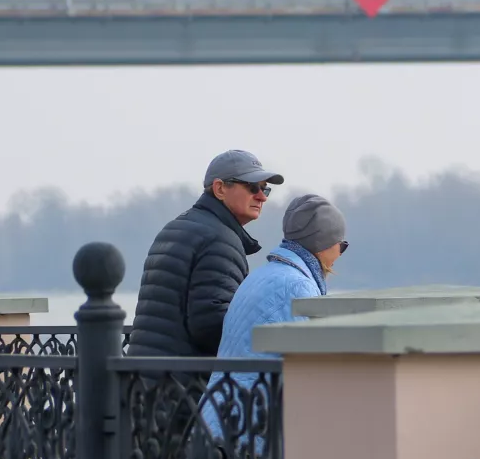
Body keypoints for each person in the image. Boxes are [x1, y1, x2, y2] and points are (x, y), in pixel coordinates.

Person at [201, 193, 349, 441]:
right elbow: (309, 368)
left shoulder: (264, 275)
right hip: (246, 430)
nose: (340, 255)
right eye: (341, 245)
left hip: (219, 415)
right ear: (323, 244)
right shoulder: (297, 287)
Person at [125, 149, 284, 358]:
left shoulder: (177, 227)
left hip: (145, 369)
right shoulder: (219, 239)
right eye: (252, 187)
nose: (262, 197)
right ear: (220, 189)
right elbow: (211, 325)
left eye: (265, 189)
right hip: (181, 374)